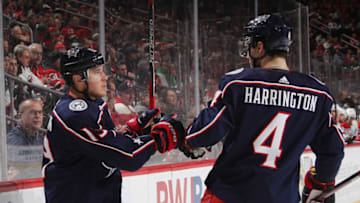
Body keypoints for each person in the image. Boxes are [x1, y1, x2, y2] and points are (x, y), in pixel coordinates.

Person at [179, 14, 344, 203]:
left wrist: (186, 135)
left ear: (259, 47)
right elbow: (333, 151)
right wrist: (320, 184)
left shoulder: (238, 83)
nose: (247, 54)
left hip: (230, 195)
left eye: (249, 46)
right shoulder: (318, 94)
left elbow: (202, 134)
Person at [42, 47, 184, 203]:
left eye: (103, 71)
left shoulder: (93, 104)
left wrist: (133, 131)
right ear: (78, 79)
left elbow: (103, 153)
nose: (105, 77)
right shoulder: (75, 114)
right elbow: (128, 157)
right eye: (97, 72)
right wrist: (158, 139)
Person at [7, 98, 45, 179]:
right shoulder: (14, 141)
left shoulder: (42, 139)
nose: (37, 116)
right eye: (32, 112)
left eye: (40, 113)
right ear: (20, 116)